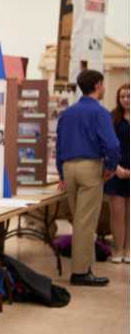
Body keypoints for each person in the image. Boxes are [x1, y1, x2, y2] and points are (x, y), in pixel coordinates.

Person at [57, 70, 123, 285]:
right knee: (85, 223)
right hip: (90, 167)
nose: (104, 88)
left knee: (79, 221)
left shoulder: (67, 113)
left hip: (68, 168)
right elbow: (112, 145)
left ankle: (85, 266)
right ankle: (80, 272)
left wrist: (61, 173)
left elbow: (58, 145)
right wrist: (112, 166)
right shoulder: (100, 112)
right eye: (103, 84)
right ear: (97, 85)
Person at [104, 83, 130, 262]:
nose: (126, 100)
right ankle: (118, 250)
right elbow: (106, 144)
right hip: (116, 170)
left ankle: (129, 250)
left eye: (129, 96)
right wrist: (116, 168)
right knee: (117, 213)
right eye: (123, 96)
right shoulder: (112, 117)